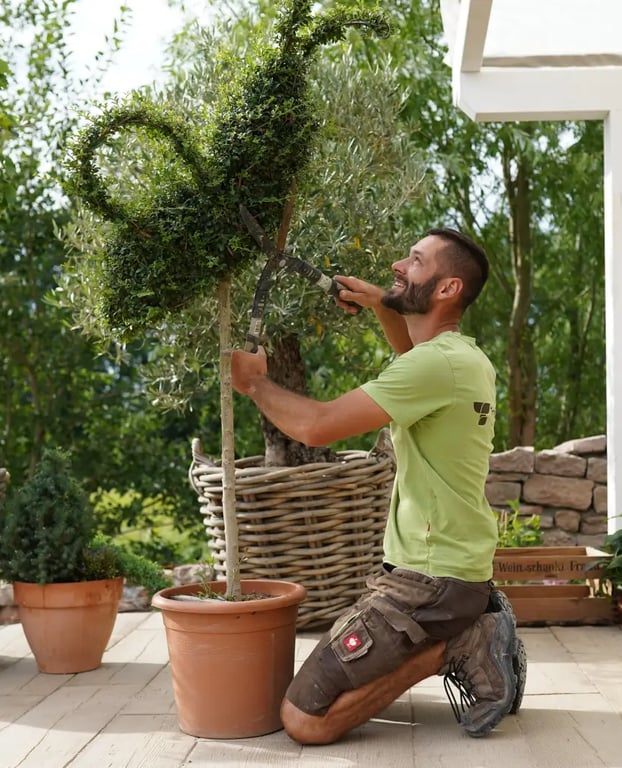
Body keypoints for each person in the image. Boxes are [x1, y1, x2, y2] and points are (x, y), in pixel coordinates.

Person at [230, 228, 525, 746]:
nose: (396, 265)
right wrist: (381, 303)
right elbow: (412, 351)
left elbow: (316, 426)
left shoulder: (435, 365)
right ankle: (465, 628)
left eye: (414, 261)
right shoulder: (463, 358)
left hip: (428, 584)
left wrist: (254, 383)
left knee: (306, 721)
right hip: (450, 571)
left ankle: (459, 645)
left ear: (446, 289)